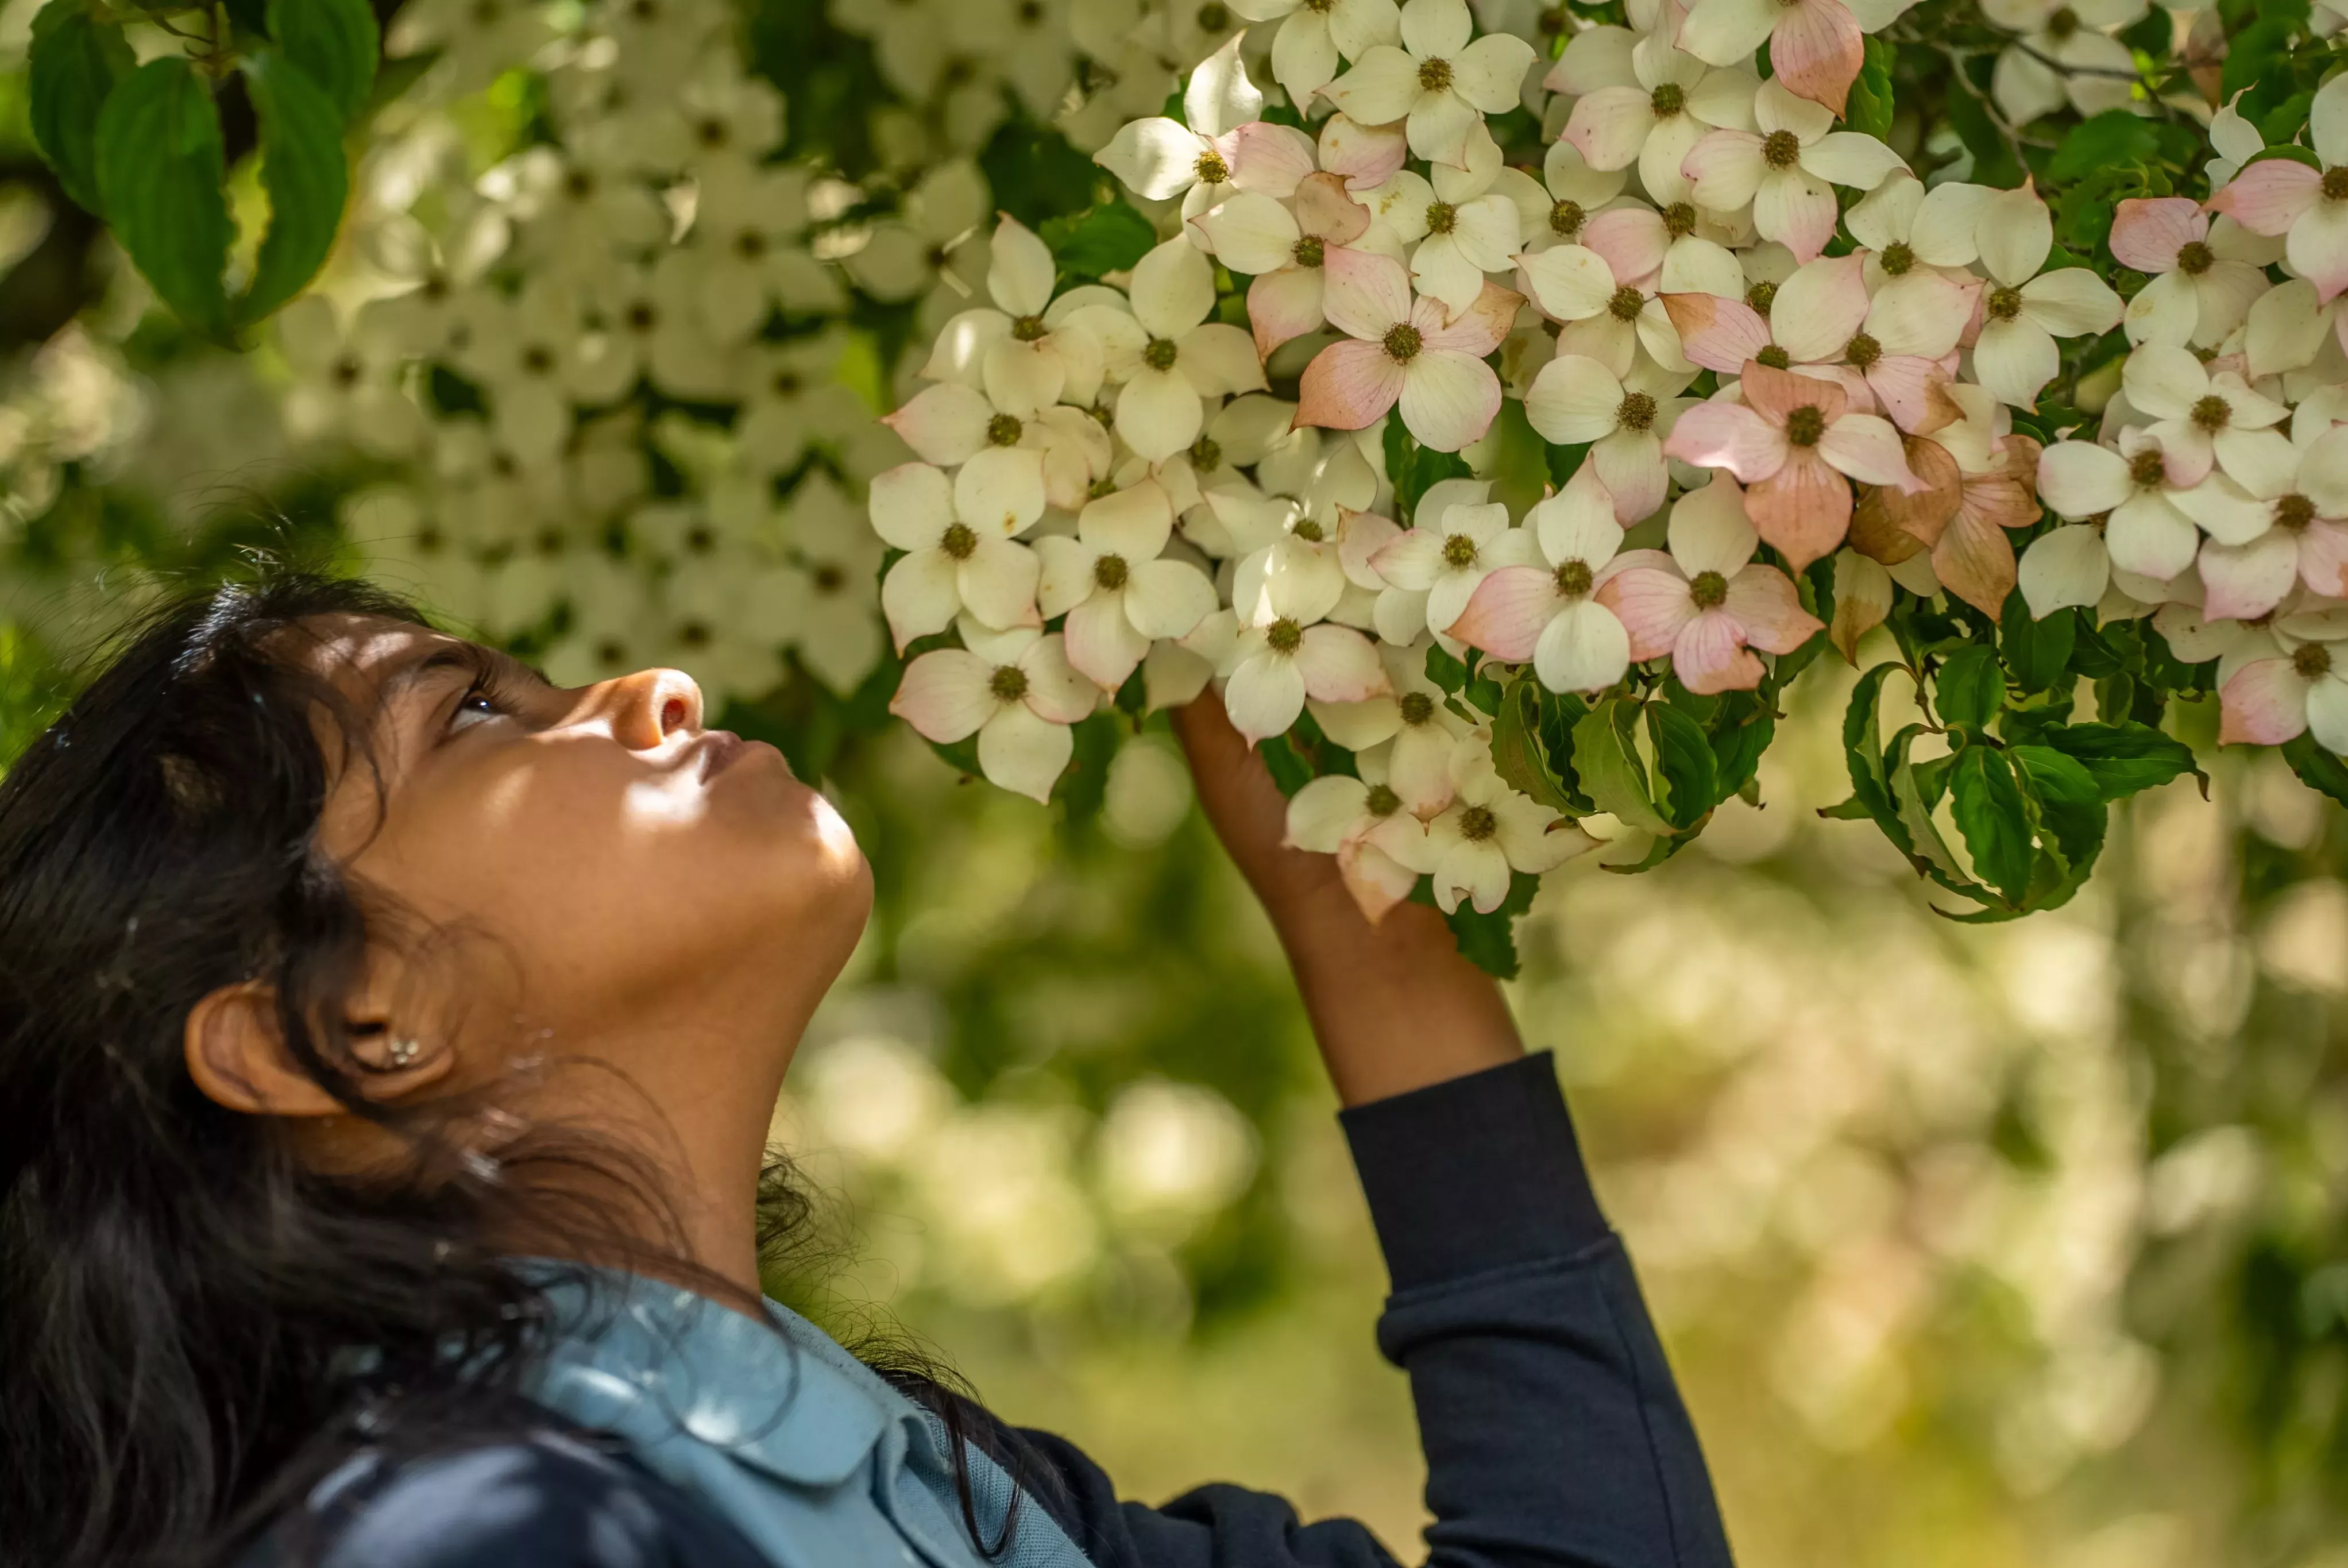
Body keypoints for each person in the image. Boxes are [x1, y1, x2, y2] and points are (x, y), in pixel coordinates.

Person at [0, 572, 1734, 1568]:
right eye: (475, 719)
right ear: (337, 1023)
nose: (650, 689)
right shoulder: (473, 1539)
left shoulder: (949, 1500)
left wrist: (1354, 899)